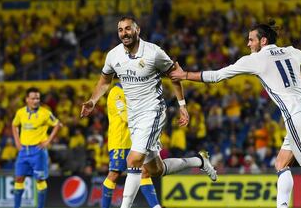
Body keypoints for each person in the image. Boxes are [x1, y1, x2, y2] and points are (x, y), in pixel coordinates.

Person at [169, 20, 301, 208]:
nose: (248, 44)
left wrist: (184, 75)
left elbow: (217, 76)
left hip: (295, 117)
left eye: (251, 40)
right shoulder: (290, 51)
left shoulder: (256, 59)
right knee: (281, 164)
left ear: (263, 40)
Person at [81, 16, 217, 208]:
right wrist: (93, 101)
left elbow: (174, 75)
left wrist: (182, 105)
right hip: (135, 114)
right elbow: (104, 81)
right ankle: (199, 161)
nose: (124, 33)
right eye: (120, 30)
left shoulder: (154, 52)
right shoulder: (113, 55)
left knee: (133, 159)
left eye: (128, 29)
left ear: (137, 30)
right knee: (155, 170)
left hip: (153, 110)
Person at [102, 82, 161, 208]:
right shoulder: (116, 92)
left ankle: (156, 206)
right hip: (120, 140)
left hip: (136, 139)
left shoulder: (135, 92)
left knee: (144, 172)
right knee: (114, 174)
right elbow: (125, 115)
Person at [12, 87, 62, 208]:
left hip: (38, 151)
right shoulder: (20, 112)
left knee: (39, 180)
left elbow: (58, 125)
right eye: (33, 98)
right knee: (19, 179)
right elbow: (14, 125)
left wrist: (48, 141)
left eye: (38, 98)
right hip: (23, 151)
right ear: (27, 99)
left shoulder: (45, 113)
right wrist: (17, 142)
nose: (36, 101)